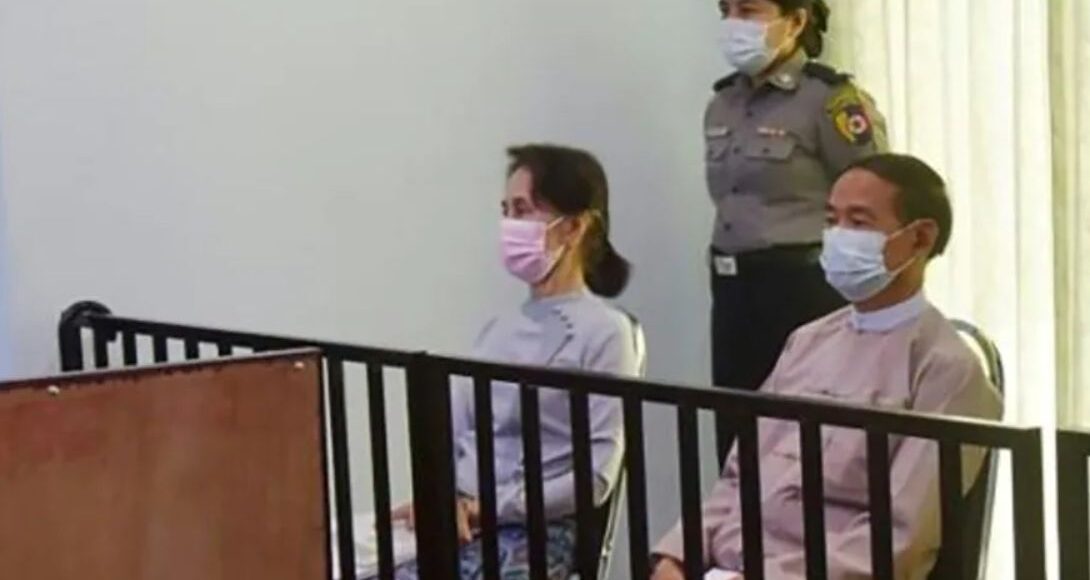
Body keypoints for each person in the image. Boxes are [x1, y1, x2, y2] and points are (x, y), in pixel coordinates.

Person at [651, 153, 1003, 579]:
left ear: (920, 238)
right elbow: (738, 477)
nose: (839, 237)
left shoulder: (946, 371)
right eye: (832, 220)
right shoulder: (807, 342)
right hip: (727, 565)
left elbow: (899, 538)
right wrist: (677, 555)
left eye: (859, 222)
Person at [390, 144, 643, 580]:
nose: (510, 224)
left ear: (574, 227)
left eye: (523, 210)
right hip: (463, 519)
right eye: (506, 210)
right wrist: (443, 501)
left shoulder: (607, 332)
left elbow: (597, 477)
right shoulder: (496, 330)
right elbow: (454, 434)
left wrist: (493, 508)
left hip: (542, 530)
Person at [707, 0, 889, 463]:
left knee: (804, 440)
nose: (734, 23)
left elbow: (877, 193)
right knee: (737, 436)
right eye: (727, 10)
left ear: (796, 20)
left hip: (800, 288)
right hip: (732, 288)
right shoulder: (723, 103)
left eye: (749, 10)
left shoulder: (830, 100)